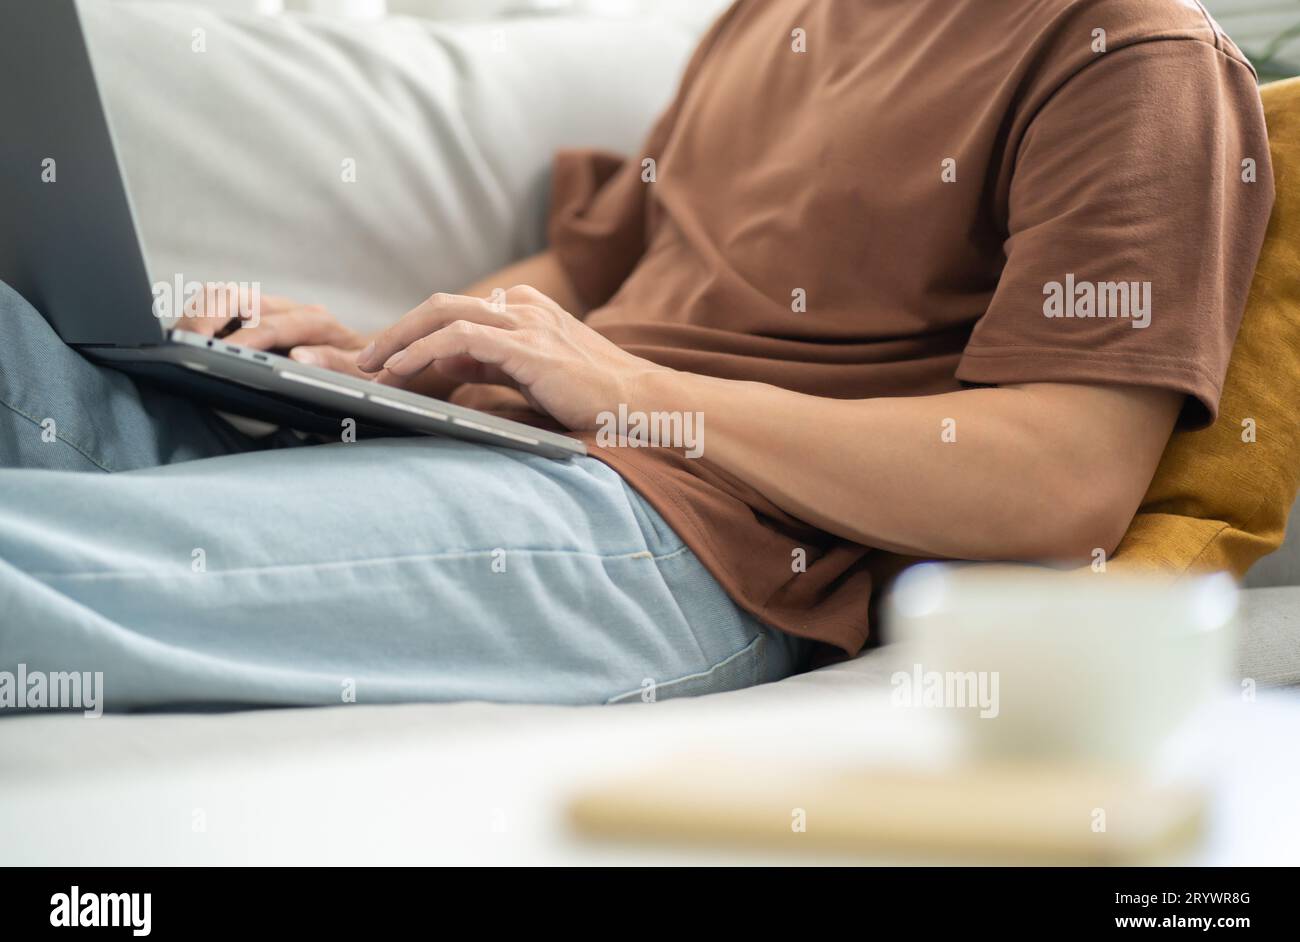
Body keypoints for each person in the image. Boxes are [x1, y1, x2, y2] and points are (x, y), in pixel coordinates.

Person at [0, 0, 1274, 711]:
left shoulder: (1132, 55)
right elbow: (582, 281)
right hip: (488, 443)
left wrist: (638, 399)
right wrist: (376, 356)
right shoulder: (772, 19)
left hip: (677, 535)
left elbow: (1064, 483)